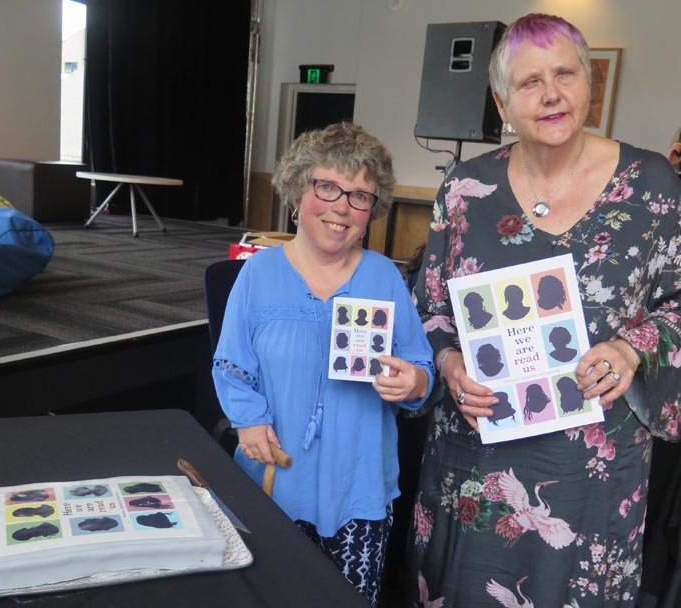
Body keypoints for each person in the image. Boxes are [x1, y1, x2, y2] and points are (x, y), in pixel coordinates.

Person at [411, 13, 681, 607]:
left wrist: (631, 347)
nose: (551, 93)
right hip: (475, 455)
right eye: (530, 82)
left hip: (593, 472)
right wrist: (450, 362)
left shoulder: (652, 185)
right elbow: (429, 306)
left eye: (565, 73)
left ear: (589, 84)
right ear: (501, 100)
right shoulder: (463, 190)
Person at [212, 122, 435, 607]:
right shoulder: (258, 273)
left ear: (371, 210)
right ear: (299, 189)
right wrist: (248, 422)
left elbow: (421, 368)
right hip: (275, 476)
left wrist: (413, 380)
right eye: (328, 186)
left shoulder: (385, 277)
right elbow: (230, 364)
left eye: (360, 196)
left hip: (356, 484)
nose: (342, 207)